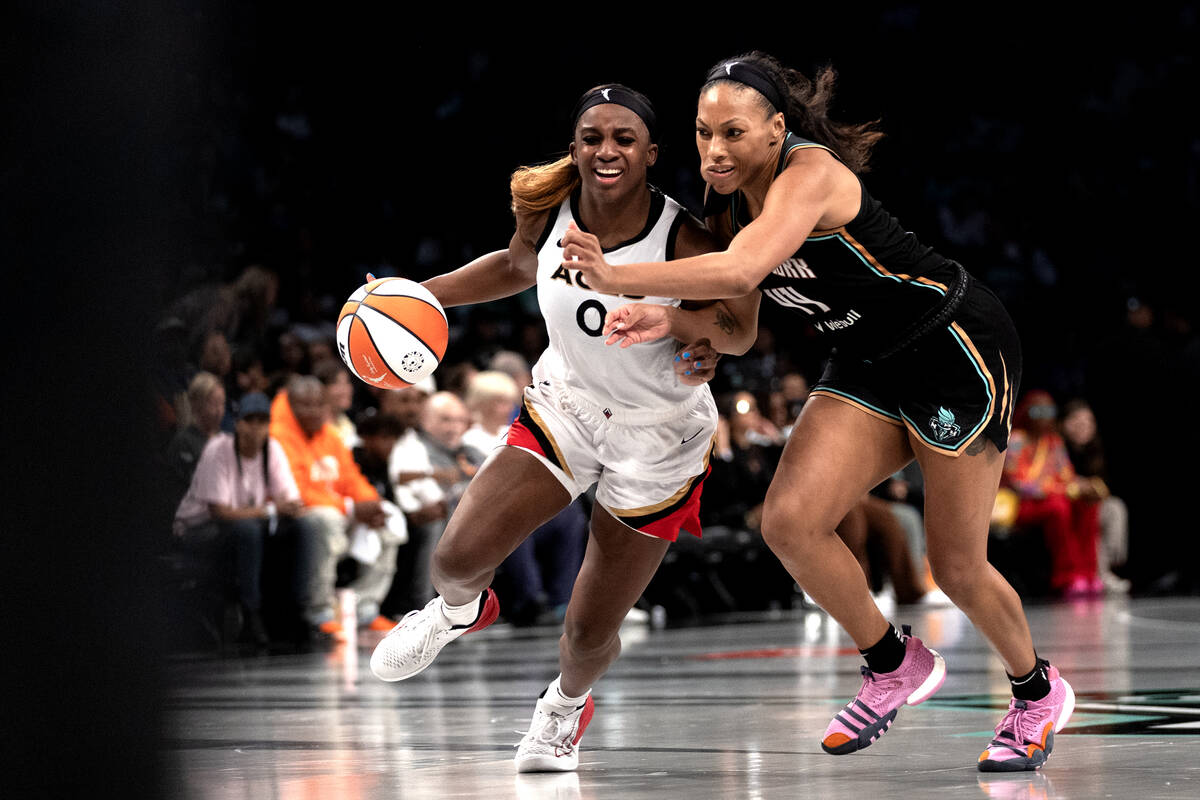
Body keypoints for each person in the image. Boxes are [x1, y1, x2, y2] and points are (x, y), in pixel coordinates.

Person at [564, 52, 1074, 772]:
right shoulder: (724, 201)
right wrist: (673, 322)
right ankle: (892, 661)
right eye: (704, 132)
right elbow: (738, 326)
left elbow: (742, 268)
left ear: (776, 129)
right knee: (788, 522)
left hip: (950, 348)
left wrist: (615, 276)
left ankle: (1037, 691)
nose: (714, 150)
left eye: (733, 133)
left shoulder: (811, 174)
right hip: (865, 359)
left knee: (956, 565)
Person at [369, 83, 752, 773]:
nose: (607, 150)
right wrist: (417, 296)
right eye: (592, 137)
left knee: (585, 633)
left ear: (651, 153)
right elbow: (516, 266)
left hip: (658, 435)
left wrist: (699, 341)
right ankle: (457, 611)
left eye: (624, 138)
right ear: (574, 148)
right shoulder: (548, 212)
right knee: (453, 562)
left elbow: (738, 327)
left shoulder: (686, 236)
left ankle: (564, 708)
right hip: (566, 407)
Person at [172, 392, 312, 649]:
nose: (256, 428)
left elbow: (292, 501)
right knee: (249, 531)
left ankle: (297, 608)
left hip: (242, 523)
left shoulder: (272, 449)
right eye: (250, 420)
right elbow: (220, 512)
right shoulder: (218, 449)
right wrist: (272, 509)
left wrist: (289, 509)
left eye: (262, 421)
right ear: (237, 423)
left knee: (302, 527)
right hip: (197, 529)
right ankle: (251, 613)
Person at [269, 374, 398, 637]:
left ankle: (365, 607)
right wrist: (350, 509)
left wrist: (370, 502)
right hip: (295, 516)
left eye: (319, 404)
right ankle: (319, 610)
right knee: (325, 519)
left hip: (338, 509)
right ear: (291, 406)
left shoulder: (329, 434)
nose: (314, 411)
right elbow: (297, 492)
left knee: (388, 518)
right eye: (306, 405)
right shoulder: (278, 436)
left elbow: (351, 478)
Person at [1002, 390, 1103, 597]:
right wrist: (1057, 489)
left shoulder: (1053, 441)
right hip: (1022, 504)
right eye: (1038, 411)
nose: (1044, 417)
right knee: (1058, 508)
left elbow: (1066, 475)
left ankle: (1087, 574)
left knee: (1087, 505)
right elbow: (1017, 482)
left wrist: (1083, 486)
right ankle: (1066, 576)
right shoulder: (1017, 440)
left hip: (1053, 499)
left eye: (1048, 412)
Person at [1059, 398, 1130, 593]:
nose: (1083, 426)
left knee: (1115, 508)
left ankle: (1105, 570)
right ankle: (1088, 575)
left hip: (1087, 503)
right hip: (1065, 503)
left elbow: (1103, 485)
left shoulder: (1096, 450)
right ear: (1063, 423)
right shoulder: (1055, 447)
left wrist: (1092, 488)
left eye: (1088, 421)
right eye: (1076, 420)